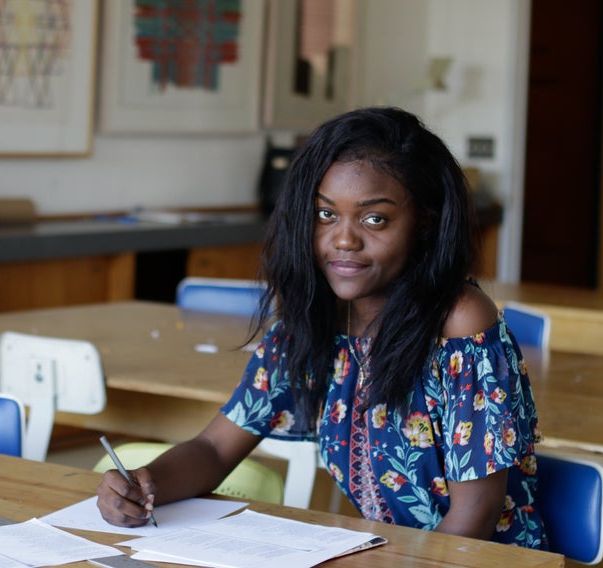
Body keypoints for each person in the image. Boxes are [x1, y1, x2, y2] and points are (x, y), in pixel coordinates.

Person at [96, 106, 547, 549]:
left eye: (375, 219)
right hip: (392, 556)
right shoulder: (312, 322)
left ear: (424, 224)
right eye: (325, 214)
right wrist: (144, 485)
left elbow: (474, 517)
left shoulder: (459, 322)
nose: (344, 239)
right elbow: (214, 449)